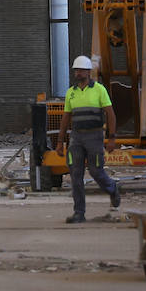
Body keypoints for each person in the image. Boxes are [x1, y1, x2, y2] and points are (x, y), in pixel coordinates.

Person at [54, 55, 120, 223]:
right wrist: (60, 142)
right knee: (75, 174)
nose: (78, 73)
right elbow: (65, 118)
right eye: (76, 70)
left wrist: (112, 138)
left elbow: (111, 115)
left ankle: (112, 189)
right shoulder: (71, 92)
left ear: (88, 72)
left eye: (81, 70)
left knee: (96, 171)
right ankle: (79, 213)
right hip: (76, 138)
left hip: (94, 136)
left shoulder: (99, 90)